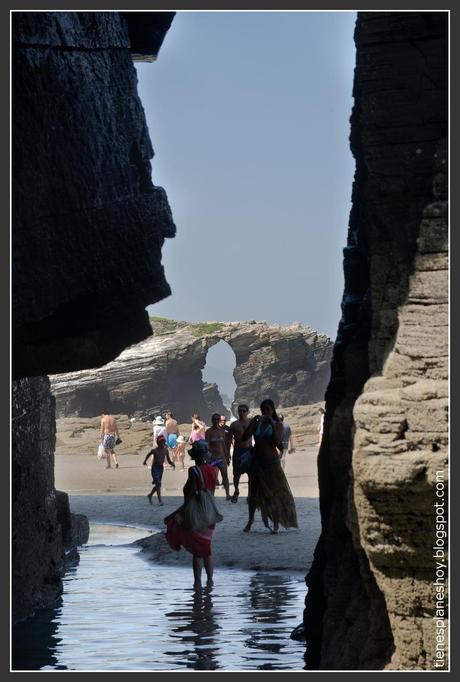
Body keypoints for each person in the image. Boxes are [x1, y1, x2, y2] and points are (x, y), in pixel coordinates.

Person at [164, 440, 218, 587]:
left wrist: (181, 513)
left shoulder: (194, 471)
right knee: (206, 549)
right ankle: (210, 583)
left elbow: (190, 495)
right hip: (211, 511)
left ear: (196, 456)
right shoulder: (212, 470)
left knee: (198, 552)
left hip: (197, 513)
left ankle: (197, 584)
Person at [241, 398, 298, 534]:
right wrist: (252, 423)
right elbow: (245, 438)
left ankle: (276, 524)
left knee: (274, 493)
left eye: (268, 409)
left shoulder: (277, 424)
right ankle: (250, 520)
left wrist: (271, 424)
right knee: (252, 492)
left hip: (272, 463)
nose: (265, 412)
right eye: (263, 410)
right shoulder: (257, 423)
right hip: (257, 461)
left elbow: (276, 442)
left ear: (272, 410)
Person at [226, 404, 252, 503]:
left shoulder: (251, 423)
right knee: (236, 475)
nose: (242, 413)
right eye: (240, 411)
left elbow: (258, 435)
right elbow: (228, 440)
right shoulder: (234, 425)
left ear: (247, 412)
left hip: (249, 451)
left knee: (251, 475)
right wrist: (227, 453)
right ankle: (236, 491)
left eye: (244, 411)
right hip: (238, 452)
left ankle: (250, 495)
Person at [142, 435, 175, 505]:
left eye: (163, 442)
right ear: (158, 443)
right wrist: (145, 461)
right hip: (155, 468)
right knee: (158, 484)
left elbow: (168, 460)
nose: (162, 444)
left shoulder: (165, 450)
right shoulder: (154, 450)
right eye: (161, 442)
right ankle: (160, 501)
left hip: (161, 469)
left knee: (158, 485)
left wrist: (172, 464)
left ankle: (150, 495)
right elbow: (148, 454)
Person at [206, 413, 231, 501]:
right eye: (214, 419)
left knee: (225, 477)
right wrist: (208, 458)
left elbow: (223, 444)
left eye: (217, 419)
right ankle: (212, 495)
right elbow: (207, 446)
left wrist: (227, 456)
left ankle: (228, 494)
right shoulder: (208, 431)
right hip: (213, 458)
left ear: (219, 420)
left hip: (222, 457)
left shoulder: (222, 431)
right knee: (213, 478)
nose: (216, 421)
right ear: (212, 421)